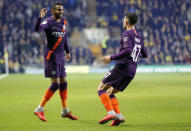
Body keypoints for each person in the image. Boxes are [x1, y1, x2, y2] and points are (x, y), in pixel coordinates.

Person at [97, 13, 148, 126]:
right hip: (132, 70)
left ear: (127, 21)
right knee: (110, 92)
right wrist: (135, 54)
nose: (123, 21)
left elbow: (127, 50)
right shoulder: (139, 36)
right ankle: (118, 117)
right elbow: (145, 54)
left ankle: (110, 113)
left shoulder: (127, 34)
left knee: (101, 88)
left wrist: (111, 57)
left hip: (123, 66)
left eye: (124, 19)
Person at [34, 2, 78, 122]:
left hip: (61, 57)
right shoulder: (48, 22)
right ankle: (39, 109)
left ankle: (65, 111)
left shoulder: (63, 21)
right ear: (53, 11)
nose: (61, 12)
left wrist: (67, 52)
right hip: (52, 56)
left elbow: (64, 37)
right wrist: (40, 18)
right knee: (56, 85)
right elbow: (37, 29)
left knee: (64, 83)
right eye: (58, 10)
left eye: (61, 10)